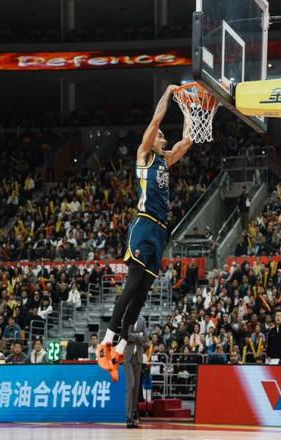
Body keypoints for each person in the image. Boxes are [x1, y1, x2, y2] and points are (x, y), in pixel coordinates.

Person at [97, 84, 193, 381]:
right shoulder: (144, 156)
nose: (163, 138)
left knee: (141, 295)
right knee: (132, 284)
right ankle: (105, 342)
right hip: (144, 224)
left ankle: (119, 350)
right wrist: (169, 93)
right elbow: (155, 121)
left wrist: (191, 110)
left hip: (160, 232)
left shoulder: (165, 160)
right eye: (160, 136)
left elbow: (187, 141)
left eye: (163, 136)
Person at [124, 315, 148, 429]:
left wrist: (134, 336)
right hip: (128, 358)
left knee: (136, 388)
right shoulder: (127, 318)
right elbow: (126, 335)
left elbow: (146, 338)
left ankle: (133, 416)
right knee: (131, 386)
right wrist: (139, 335)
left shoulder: (142, 320)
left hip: (138, 357)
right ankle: (128, 417)